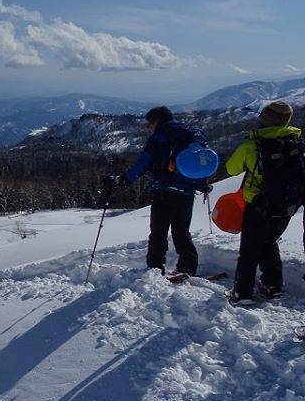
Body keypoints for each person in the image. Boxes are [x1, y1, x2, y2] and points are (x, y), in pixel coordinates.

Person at [103, 106, 207, 278]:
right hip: (187, 191)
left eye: (149, 124)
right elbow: (203, 160)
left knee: (159, 232)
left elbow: (143, 162)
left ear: (156, 121)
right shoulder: (192, 133)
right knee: (182, 232)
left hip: (164, 191)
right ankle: (187, 267)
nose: (148, 127)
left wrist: (124, 179)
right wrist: (202, 183)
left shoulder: (158, 137)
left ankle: (155, 268)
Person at [224, 100, 302, 304]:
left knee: (249, 249)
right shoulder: (296, 143)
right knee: (269, 242)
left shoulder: (252, 145)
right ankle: (272, 285)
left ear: (265, 120)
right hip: (287, 206)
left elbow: (232, 169)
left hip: (258, 204)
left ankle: (242, 293)